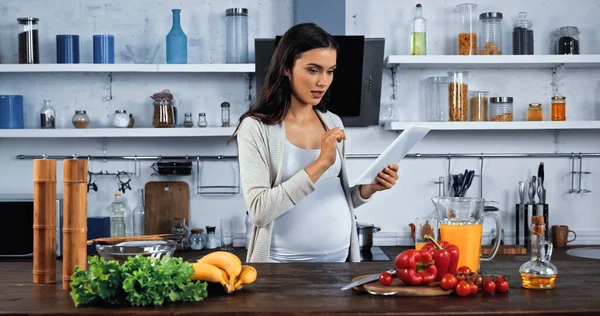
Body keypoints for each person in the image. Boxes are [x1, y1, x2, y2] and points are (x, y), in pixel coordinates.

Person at [230, 23, 399, 263]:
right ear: (286, 68)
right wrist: (321, 163)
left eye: (330, 71)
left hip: (340, 263)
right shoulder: (256, 127)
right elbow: (259, 211)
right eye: (313, 70)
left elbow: (331, 194)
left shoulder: (331, 121)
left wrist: (368, 188)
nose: (323, 81)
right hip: (281, 268)